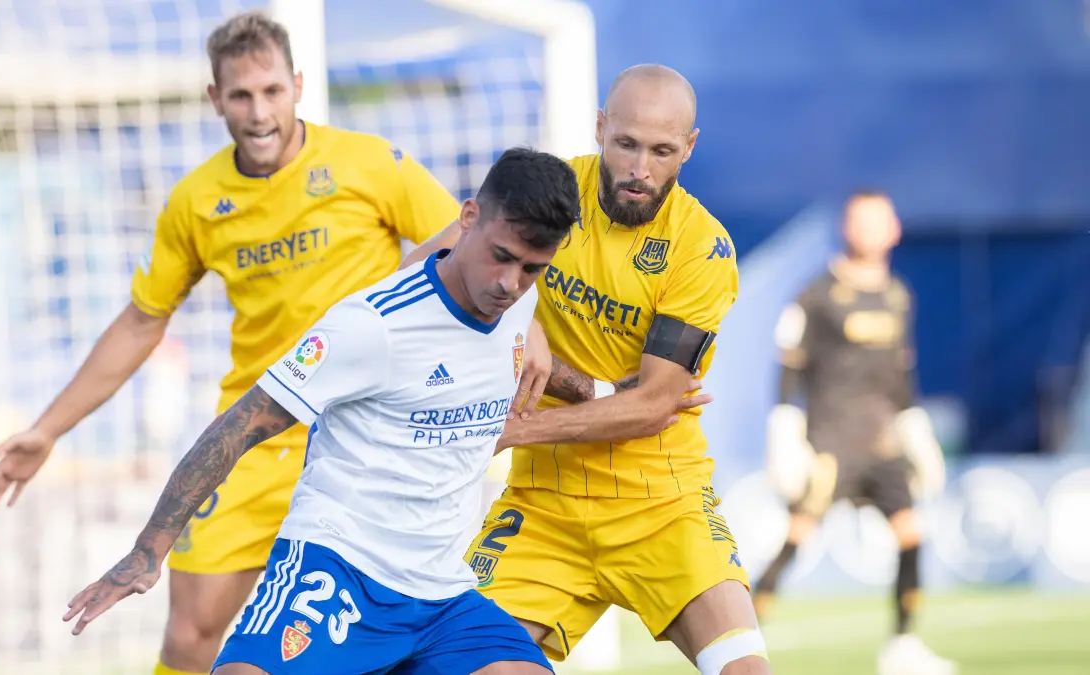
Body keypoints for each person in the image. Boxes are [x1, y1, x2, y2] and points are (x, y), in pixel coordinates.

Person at [62, 147, 710, 675]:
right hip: (340, 570)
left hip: (440, 594)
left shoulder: (519, 305)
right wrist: (148, 549)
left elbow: (528, 361)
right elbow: (238, 426)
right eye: (502, 257)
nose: (509, 283)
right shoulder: (371, 325)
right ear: (467, 218)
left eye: (532, 269)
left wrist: (612, 393)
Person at [0, 11, 462, 675]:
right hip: (254, 435)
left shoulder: (369, 163)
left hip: (362, 439)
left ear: (297, 86)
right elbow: (142, 322)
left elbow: (470, 243)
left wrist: (531, 341)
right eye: (241, 95)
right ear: (215, 98)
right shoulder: (197, 200)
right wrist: (47, 428)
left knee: (363, 639)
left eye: (272, 91)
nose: (259, 113)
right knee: (188, 634)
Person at [417, 64, 768, 675]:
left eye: (661, 151)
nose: (639, 169)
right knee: (459, 666)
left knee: (744, 670)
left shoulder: (701, 248)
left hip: (661, 502)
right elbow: (423, 272)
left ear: (689, 147)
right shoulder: (551, 196)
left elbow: (654, 404)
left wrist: (510, 430)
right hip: (542, 505)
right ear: (600, 128)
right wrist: (520, 324)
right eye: (626, 144)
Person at [757, 190, 954, 675]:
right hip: (832, 443)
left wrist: (915, 428)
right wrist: (785, 427)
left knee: (911, 534)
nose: (870, 230)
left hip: (883, 443)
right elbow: (789, 365)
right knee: (797, 537)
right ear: (846, 228)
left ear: (894, 230)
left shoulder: (898, 295)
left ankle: (902, 645)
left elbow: (902, 374)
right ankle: (738, 638)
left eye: (879, 220)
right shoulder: (817, 294)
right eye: (861, 221)